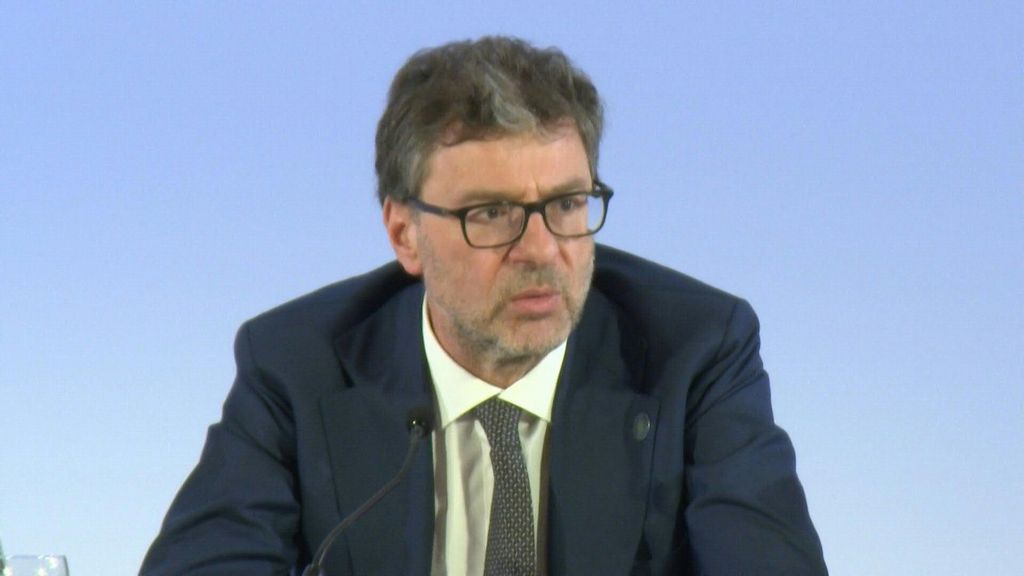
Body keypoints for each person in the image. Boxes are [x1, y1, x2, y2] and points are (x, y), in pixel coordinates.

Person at [141, 36, 827, 575]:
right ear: (404, 234)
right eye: (492, 213)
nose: (542, 249)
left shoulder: (697, 351)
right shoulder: (297, 365)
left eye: (566, 204)